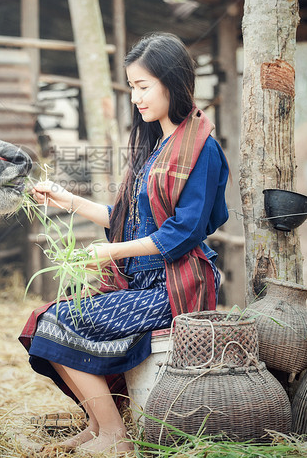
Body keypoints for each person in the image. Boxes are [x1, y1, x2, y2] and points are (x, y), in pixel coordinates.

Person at [19, 32, 229, 455]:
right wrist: (70, 200)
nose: (136, 98)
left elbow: (182, 233)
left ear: (173, 82)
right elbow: (127, 221)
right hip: (144, 283)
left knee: (59, 324)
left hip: (175, 286)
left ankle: (116, 438)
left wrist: (111, 252)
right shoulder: (158, 146)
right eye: (132, 87)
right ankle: (98, 427)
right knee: (47, 321)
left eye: (143, 86)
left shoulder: (201, 148)